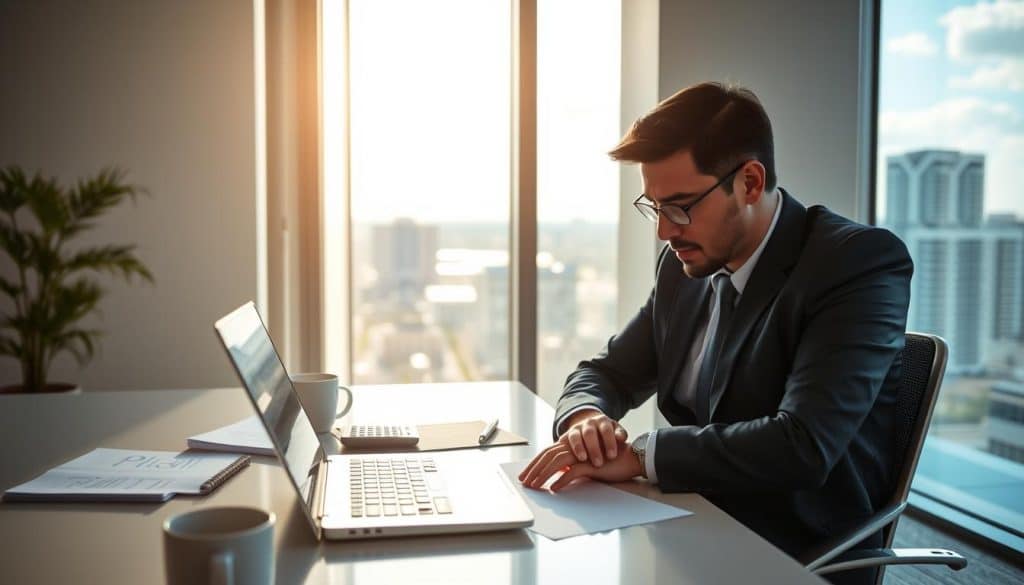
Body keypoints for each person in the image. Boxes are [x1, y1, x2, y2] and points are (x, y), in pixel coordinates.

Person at [519, 82, 912, 585]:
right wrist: (586, 421)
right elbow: (608, 372)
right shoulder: (684, 266)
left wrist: (641, 455)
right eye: (655, 206)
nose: (665, 230)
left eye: (680, 206)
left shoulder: (855, 263)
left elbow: (803, 445)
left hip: (790, 551)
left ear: (749, 182)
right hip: (682, 526)